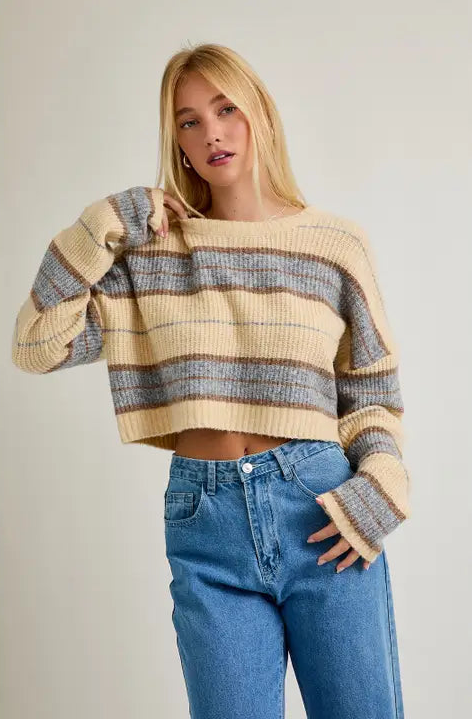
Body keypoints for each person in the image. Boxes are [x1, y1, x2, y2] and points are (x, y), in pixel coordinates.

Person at [12, 43, 411, 719]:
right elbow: (36, 345)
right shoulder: (153, 256)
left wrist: (382, 484)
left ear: (261, 114)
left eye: (225, 110)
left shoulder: (334, 245)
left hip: (323, 513)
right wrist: (100, 225)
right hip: (206, 523)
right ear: (178, 143)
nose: (212, 133)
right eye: (189, 121)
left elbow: (371, 393)